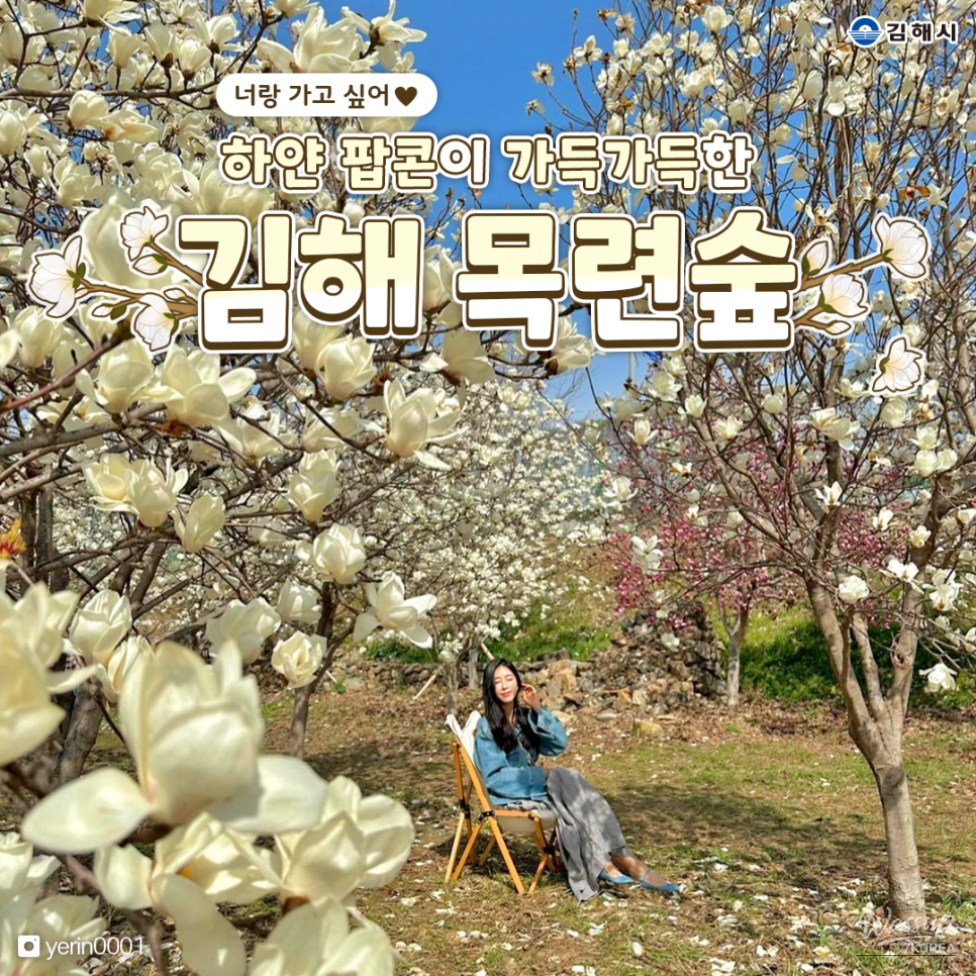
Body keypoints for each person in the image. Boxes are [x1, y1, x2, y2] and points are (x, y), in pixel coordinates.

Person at [474, 657, 680, 901]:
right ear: (490, 688)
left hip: (540, 791)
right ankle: (622, 859)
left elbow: (559, 744)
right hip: (512, 799)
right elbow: (495, 779)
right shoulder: (487, 728)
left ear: (519, 684)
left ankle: (613, 859)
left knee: (577, 791)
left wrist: (538, 709)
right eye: (497, 682)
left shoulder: (524, 718)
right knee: (566, 777)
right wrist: (542, 775)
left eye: (509, 679)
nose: (505, 686)